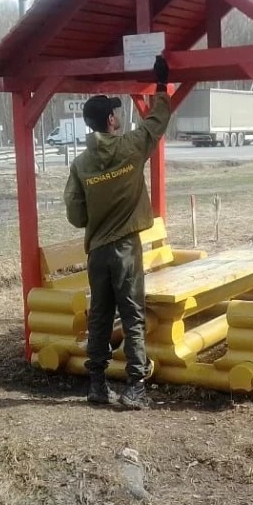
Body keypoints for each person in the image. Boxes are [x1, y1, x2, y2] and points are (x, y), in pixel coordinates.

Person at [63, 55, 172, 410]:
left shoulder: (80, 164)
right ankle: (135, 388)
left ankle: (97, 384)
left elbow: (77, 216)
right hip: (125, 248)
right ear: (111, 120)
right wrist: (160, 85)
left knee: (100, 316)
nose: (120, 115)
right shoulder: (130, 147)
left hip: (97, 252)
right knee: (132, 316)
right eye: (116, 111)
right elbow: (156, 122)